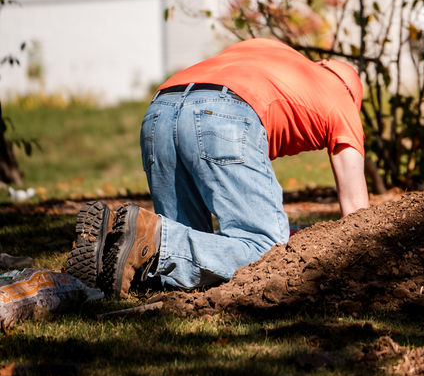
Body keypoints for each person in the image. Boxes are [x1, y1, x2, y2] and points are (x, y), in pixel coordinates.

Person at [66, 38, 369, 298]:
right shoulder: (341, 99)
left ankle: (111, 247)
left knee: (191, 256)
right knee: (268, 249)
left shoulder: (272, 53)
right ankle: (152, 238)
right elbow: (358, 217)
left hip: (160, 109)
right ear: (352, 93)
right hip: (224, 113)